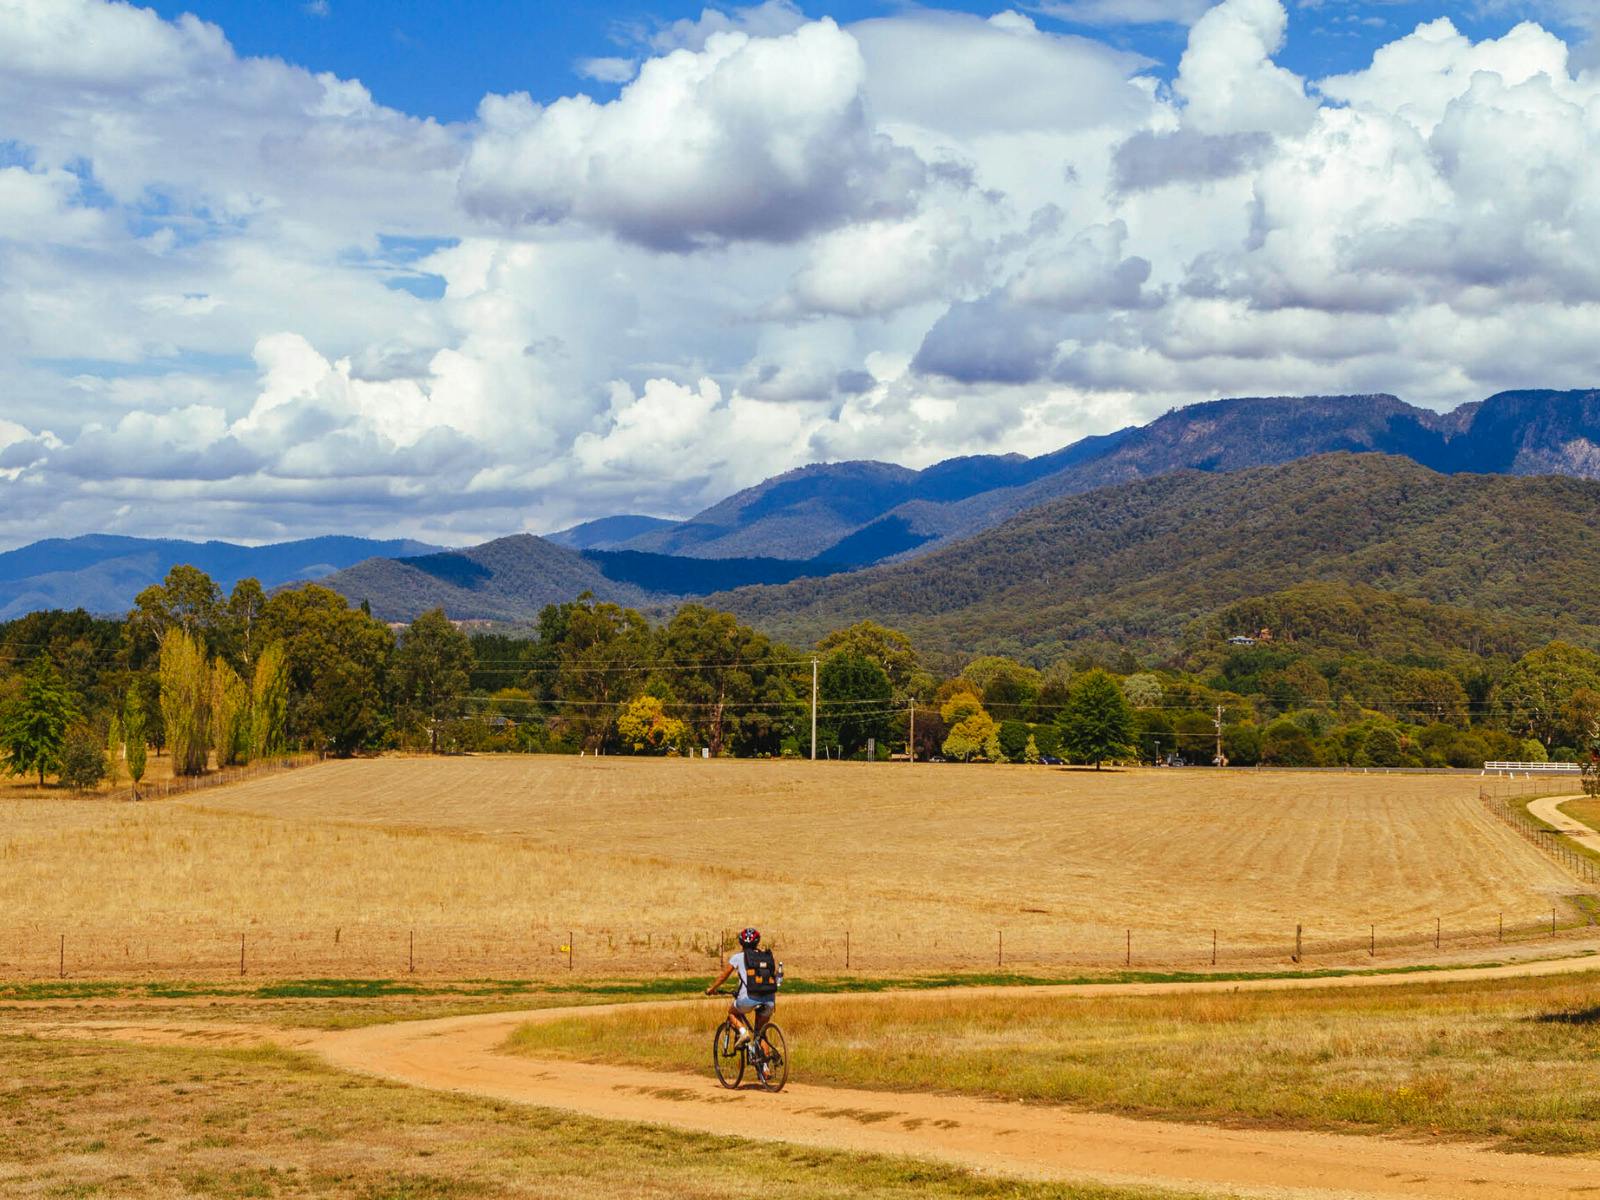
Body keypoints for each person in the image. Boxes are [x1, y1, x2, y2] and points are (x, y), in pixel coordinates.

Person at [706, 926, 782, 1050]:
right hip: (769, 999)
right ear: (757, 942)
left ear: (741, 942)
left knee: (732, 1013)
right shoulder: (765, 957)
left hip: (748, 998)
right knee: (760, 1034)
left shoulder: (737, 957)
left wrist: (712, 989)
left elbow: (723, 976)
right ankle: (765, 1068)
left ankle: (743, 1032)